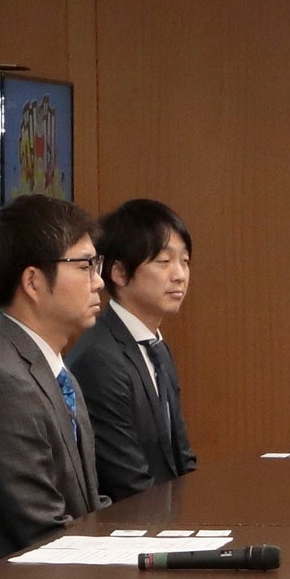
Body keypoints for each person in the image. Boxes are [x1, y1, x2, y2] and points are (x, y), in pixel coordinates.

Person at [0, 194, 109, 558]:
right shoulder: (2, 383)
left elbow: (90, 505)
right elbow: (42, 533)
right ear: (33, 282)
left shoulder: (55, 370)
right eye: (85, 266)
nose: (98, 282)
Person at [73, 197, 199, 500]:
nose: (180, 275)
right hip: (132, 519)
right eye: (163, 261)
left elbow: (182, 459)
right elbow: (126, 482)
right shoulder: (99, 358)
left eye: (184, 261)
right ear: (119, 273)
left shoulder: (157, 347)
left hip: (168, 516)